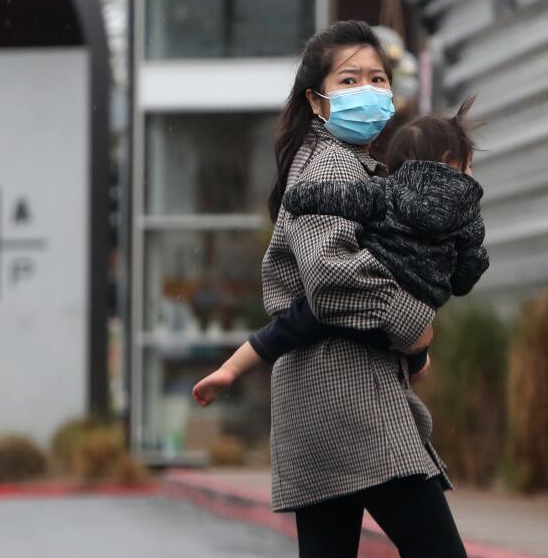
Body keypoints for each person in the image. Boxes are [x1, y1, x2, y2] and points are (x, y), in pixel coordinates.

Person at [208, 21, 469, 558]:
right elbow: (330, 280)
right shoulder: (329, 169)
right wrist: (410, 325)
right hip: (345, 397)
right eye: (349, 79)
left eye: (377, 77)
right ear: (317, 98)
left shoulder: (350, 168)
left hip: (321, 392)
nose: (368, 89)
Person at [192, 99, 488, 408]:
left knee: (297, 322)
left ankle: (231, 369)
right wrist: (469, 262)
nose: (470, 174)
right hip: (412, 314)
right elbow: (465, 277)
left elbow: (344, 198)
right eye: (468, 165)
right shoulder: (468, 216)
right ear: (449, 161)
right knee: (417, 333)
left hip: (370, 286)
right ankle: (417, 362)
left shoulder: (387, 191)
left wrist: (300, 197)